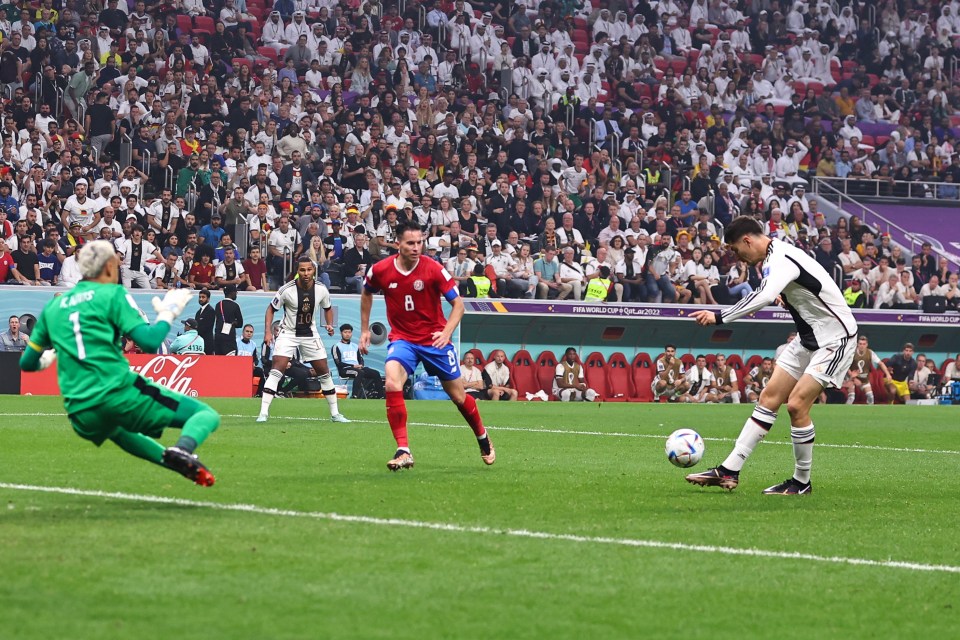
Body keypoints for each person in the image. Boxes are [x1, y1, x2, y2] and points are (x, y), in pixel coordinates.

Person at [18, 240, 219, 486]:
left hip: (80, 410)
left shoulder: (54, 306)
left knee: (117, 431)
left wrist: (44, 360)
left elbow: (27, 363)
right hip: (115, 392)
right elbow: (149, 342)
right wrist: (168, 312)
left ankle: (176, 462)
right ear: (109, 266)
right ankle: (183, 448)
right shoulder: (113, 294)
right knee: (205, 414)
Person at [687, 216, 858, 495]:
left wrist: (719, 316)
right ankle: (729, 470)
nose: (737, 256)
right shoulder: (773, 258)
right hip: (808, 339)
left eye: (734, 249)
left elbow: (764, 296)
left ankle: (802, 483)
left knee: (796, 405)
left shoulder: (780, 258)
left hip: (835, 338)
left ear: (747, 240)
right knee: (768, 398)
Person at [359, 218, 495, 470]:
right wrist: (365, 329)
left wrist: (446, 332)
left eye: (419, 242)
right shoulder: (380, 270)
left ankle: (482, 436)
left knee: (458, 396)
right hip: (403, 339)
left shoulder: (433, 269)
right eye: (410, 243)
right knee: (391, 382)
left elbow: (459, 305)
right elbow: (366, 292)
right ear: (397, 244)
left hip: (434, 339)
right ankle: (403, 449)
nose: (416, 247)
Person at [257, 255, 350, 423]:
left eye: (309, 269)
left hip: (310, 333)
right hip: (288, 333)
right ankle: (263, 413)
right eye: (302, 270)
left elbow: (328, 308)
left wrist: (329, 324)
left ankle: (335, 414)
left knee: (324, 372)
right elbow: (271, 309)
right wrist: (267, 332)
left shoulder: (321, 289)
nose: (306, 273)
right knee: (277, 369)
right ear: (297, 271)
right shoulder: (286, 290)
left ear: (314, 270)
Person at [331, 323, 383, 399]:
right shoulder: (337, 346)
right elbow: (338, 363)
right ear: (341, 333)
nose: (347, 334)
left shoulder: (355, 346)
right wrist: (353, 366)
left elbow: (361, 359)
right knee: (359, 373)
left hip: (358, 368)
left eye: (349, 332)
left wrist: (361, 365)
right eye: (345, 332)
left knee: (375, 373)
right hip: (344, 370)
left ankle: (380, 396)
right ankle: (354, 395)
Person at [842, 335, 891, 405]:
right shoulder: (852, 353)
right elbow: (845, 366)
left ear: (867, 345)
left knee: (870, 397)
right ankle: (845, 413)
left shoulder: (870, 353)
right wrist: (853, 378)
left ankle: (870, 414)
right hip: (851, 378)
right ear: (857, 344)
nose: (862, 346)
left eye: (864, 344)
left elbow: (881, 363)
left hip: (864, 379)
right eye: (860, 344)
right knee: (851, 398)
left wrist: (888, 374)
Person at [214, 284, 244, 355]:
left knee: (218, 361)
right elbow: (240, 323)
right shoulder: (235, 306)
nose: (236, 294)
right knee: (230, 362)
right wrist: (234, 323)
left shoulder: (218, 304)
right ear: (231, 293)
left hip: (218, 337)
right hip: (229, 339)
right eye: (236, 292)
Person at [194, 288, 216, 355]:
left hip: (207, 343)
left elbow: (206, 327)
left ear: (208, 299)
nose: (201, 299)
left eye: (203, 297)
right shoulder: (198, 312)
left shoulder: (210, 311)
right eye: (200, 297)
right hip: (198, 343)